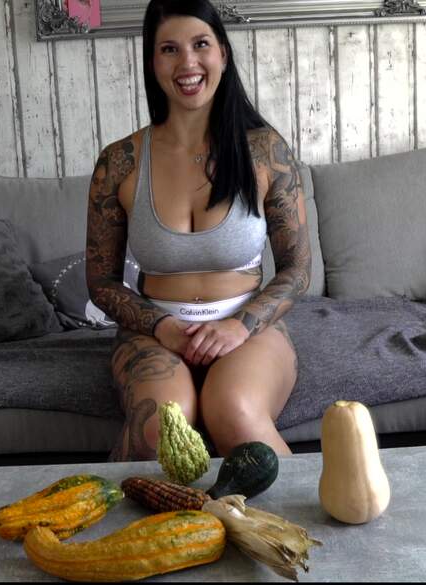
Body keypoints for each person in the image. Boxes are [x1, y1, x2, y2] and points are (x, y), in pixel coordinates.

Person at [86, 0, 311, 461]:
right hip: (155, 332)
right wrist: (163, 326)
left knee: (235, 410)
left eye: (200, 44)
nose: (187, 62)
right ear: (152, 62)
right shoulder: (120, 161)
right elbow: (101, 281)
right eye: (169, 49)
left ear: (222, 54)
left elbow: (298, 268)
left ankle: (309, 513)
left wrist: (239, 326)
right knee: (163, 424)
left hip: (247, 327)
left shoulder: (266, 150)